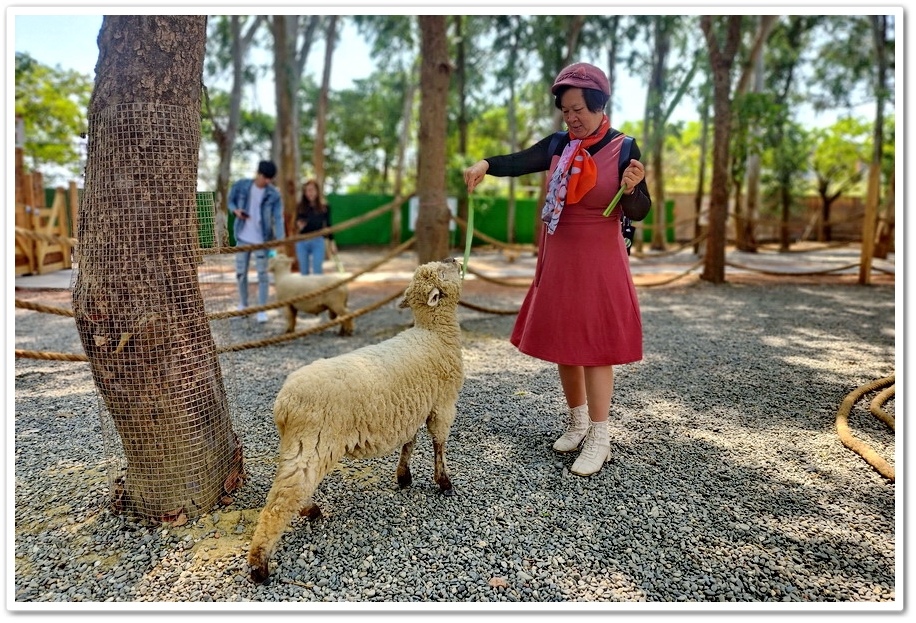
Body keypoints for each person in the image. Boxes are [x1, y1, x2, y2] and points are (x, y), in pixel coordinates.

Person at [463, 62, 651, 477]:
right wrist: (484, 165)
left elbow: (638, 210)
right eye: (565, 111)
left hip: (599, 254)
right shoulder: (559, 145)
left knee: (596, 342)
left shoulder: (624, 148)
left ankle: (601, 435)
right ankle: (578, 421)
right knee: (567, 338)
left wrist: (633, 187)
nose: (572, 119)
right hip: (559, 249)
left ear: (600, 106)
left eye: (578, 109)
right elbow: (520, 160)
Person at [228, 159, 285, 323]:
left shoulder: (274, 194)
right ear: (258, 173)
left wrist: (281, 240)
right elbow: (230, 201)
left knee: (263, 275)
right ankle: (243, 305)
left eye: (270, 178)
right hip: (243, 237)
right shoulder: (241, 185)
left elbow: (278, 218)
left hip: (262, 240)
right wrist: (235, 211)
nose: (267, 181)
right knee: (241, 273)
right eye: (265, 177)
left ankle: (261, 309)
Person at [294, 179, 336, 275]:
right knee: (304, 272)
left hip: (318, 240)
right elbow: (296, 224)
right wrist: (299, 225)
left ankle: (318, 289)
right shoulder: (300, 206)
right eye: (307, 191)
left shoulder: (325, 206)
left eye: (312, 190)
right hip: (302, 241)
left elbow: (328, 225)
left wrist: (332, 243)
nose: (310, 193)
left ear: (317, 191)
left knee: (317, 271)